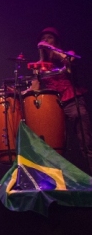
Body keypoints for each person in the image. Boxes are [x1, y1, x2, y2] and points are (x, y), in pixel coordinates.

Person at [33, 27, 91, 170]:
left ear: (56, 41)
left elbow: (69, 63)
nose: (45, 40)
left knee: (86, 142)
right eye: (43, 38)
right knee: (57, 144)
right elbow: (35, 87)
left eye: (49, 37)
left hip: (72, 100)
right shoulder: (39, 66)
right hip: (53, 105)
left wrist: (52, 50)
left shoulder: (68, 54)